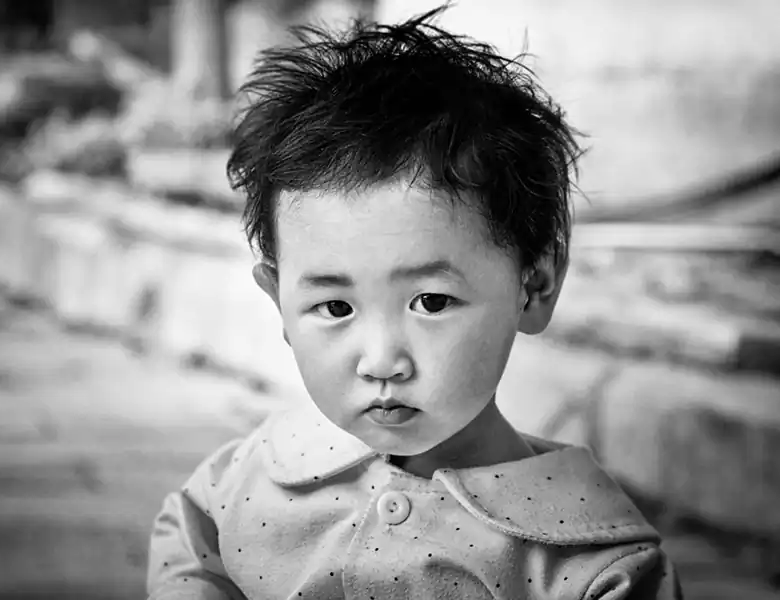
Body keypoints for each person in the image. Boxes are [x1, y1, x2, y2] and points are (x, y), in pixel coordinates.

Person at [147, 5, 682, 599]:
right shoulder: (249, 479)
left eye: (430, 302)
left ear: (534, 287)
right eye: (336, 308)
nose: (381, 362)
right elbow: (190, 545)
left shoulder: (592, 565)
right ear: (278, 302)